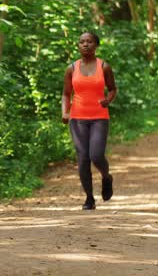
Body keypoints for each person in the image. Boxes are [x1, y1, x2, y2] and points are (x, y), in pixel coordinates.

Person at [61, 32, 117, 210]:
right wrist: (65, 112)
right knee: (83, 157)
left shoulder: (104, 66)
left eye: (89, 42)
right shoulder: (71, 68)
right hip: (77, 118)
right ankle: (89, 198)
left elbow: (113, 89)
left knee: (96, 155)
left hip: (99, 117)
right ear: (78, 45)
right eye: (82, 42)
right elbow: (66, 93)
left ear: (96, 45)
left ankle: (106, 177)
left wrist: (108, 100)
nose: (85, 44)